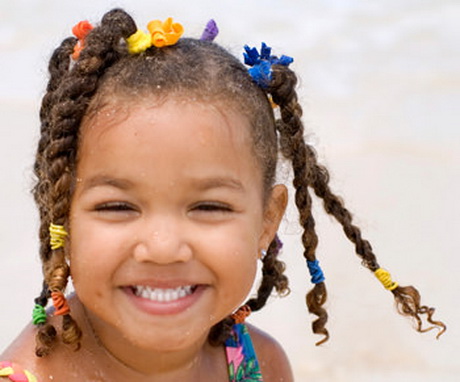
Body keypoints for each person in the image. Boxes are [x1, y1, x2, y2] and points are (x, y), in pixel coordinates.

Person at [0, 8, 445, 382]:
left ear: (266, 222)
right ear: (61, 216)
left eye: (209, 206)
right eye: (118, 207)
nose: (163, 247)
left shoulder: (257, 367)